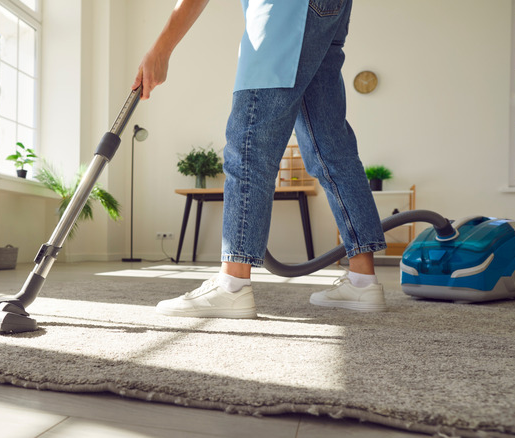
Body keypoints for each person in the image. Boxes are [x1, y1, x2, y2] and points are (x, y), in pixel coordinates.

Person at [133, 0, 388, 317]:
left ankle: (232, 286)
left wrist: (161, 50)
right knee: (330, 146)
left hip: (285, 9)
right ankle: (363, 281)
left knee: (249, 146)